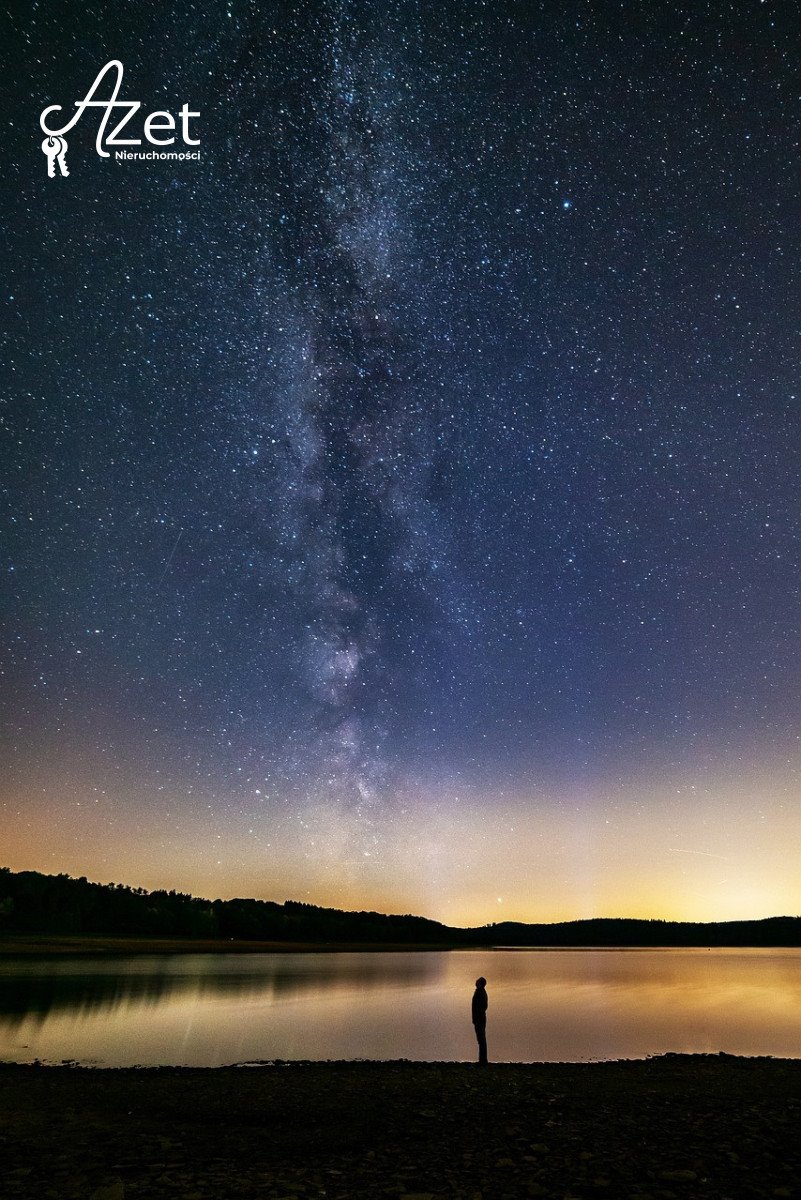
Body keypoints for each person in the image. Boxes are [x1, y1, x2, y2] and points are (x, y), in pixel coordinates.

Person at [471, 976, 488, 1064]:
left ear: (481, 984)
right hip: (479, 1018)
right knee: (481, 1039)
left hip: (480, 1019)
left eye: (477, 981)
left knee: (481, 1039)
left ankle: (483, 1060)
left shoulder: (480, 993)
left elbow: (482, 1007)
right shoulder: (480, 992)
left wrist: (476, 1018)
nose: (476, 982)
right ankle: (482, 1059)